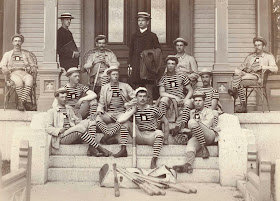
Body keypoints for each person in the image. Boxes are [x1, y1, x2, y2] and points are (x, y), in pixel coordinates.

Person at [110, 87, 170, 169]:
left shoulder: (154, 109)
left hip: (151, 135)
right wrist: (132, 111)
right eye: (140, 96)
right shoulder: (134, 108)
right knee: (126, 123)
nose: (142, 98)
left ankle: (154, 160)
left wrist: (166, 139)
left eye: (144, 96)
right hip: (139, 135)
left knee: (159, 133)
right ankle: (123, 149)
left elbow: (166, 122)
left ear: (147, 98)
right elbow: (120, 120)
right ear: (136, 98)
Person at [46, 87, 112, 157]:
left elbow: (77, 121)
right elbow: (48, 127)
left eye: (65, 97)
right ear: (56, 98)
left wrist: (87, 120)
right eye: (62, 97)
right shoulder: (52, 111)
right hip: (63, 137)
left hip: (74, 132)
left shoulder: (69, 109)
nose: (64, 99)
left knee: (92, 121)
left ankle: (91, 148)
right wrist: (59, 130)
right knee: (80, 128)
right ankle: (99, 148)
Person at [228, 36, 278, 113]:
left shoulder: (268, 57)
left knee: (239, 81)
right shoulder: (250, 56)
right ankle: (238, 96)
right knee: (237, 74)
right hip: (247, 75)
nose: (257, 47)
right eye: (255, 45)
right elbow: (243, 66)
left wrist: (262, 67)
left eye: (259, 45)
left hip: (258, 78)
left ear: (263, 46)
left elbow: (275, 68)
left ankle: (239, 98)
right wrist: (238, 70)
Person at [172, 91, 218, 173]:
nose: (197, 103)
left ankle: (204, 147)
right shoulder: (191, 112)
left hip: (209, 135)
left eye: (200, 100)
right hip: (197, 137)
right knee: (190, 146)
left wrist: (190, 128)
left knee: (192, 122)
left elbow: (207, 125)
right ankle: (188, 165)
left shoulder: (209, 111)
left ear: (204, 101)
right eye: (196, 101)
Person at [95, 66, 135, 149]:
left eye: (117, 74)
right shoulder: (105, 88)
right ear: (109, 76)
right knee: (97, 119)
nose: (116, 76)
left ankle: (107, 135)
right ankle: (110, 135)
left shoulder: (125, 86)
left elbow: (135, 98)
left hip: (122, 113)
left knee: (123, 121)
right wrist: (99, 110)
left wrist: (128, 104)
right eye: (113, 74)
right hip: (109, 113)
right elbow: (101, 102)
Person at [128, 12, 161, 101]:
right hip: (137, 65)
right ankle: (138, 109)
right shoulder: (134, 36)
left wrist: (147, 54)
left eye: (143, 20)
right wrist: (130, 64)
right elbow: (131, 51)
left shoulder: (152, 36)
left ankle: (149, 109)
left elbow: (158, 50)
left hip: (148, 66)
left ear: (147, 22)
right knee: (137, 89)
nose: (140, 22)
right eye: (139, 20)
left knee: (148, 89)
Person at [0, 34, 37, 111]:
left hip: (25, 72)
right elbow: (2, 64)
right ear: (12, 43)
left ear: (22, 43)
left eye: (19, 41)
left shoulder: (26, 54)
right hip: (13, 73)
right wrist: (5, 69)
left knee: (30, 80)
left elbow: (33, 64)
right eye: (15, 41)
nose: (17, 43)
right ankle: (24, 103)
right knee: (18, 82)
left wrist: (33, 68)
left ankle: (21, 102)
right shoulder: (8, 54)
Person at [158, 55, 193, 133]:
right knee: (163, 99)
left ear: (176, 65)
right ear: (166, 65)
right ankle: (161, 122)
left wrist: (185, 99)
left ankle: (180, 125)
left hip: (180, 99)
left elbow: (190, 90)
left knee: (188, 102)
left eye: (173, 64)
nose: (170, 66)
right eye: (169, 64)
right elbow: (162, 93)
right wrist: (174, 97)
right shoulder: (163, 78)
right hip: (169, 99)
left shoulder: (182, 76)